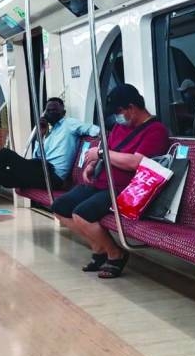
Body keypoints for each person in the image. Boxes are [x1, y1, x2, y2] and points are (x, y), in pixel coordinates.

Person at [51, 84, 170, 278]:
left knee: (82, 214)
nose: (117, 118)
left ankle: (116, 254)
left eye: (119, 112)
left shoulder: (155, 131)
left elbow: (136, 162)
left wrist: (100, 153)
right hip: (101, 182)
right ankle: (98, 247)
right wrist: (92, 164)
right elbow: (107, 151)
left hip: (124, 188)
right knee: (59, 207)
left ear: (131, 107)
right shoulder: (120, 127)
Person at [0, 97, 99, 241]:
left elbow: (95, 130)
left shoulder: (70, 124)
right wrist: (41, 134)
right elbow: (37, 156)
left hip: (52, 176)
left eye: (55, 110)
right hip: (39, 170)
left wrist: (97, 147)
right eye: (48, 110)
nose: (50, 113)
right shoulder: (49, 133)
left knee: (5, 154)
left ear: (62, 112)